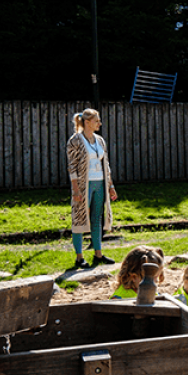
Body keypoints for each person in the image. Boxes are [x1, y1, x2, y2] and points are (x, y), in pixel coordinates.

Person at [67, 108, 119, 269]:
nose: (99, 123)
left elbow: (106, 164)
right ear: (87, 122)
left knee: (97, 218)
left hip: (100, 183)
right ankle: (79, 257)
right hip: (84, 185)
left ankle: (98, 253)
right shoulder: (75, 140)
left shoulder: (100, 140)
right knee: (79, 218)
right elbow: (72, 166)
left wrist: (110, 185)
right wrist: (76, 189)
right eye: (97, 121)